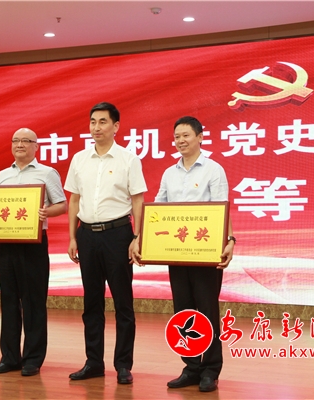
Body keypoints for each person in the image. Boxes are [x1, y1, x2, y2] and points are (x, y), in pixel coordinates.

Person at [0, 127, 67, 377]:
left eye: (26, 141)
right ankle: (9, 357)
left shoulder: (47, 173)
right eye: (15, 140)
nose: (20, 144)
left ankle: (32, 359)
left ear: (36, 146)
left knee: (33, 302)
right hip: (7, 244)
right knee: (9, 300)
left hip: (33, 244)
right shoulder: (3, 174)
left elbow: (62, 205)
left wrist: (44, 212)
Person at [64, 102, 147, 385]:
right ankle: (93, 362)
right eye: (92, 122)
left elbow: (138, 200)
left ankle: (123, 364)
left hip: (118, 235)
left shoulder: (128, 159)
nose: (96, 127)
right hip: (87, 235)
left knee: (123, 302)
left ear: (116, 126)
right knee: (92, 302)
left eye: (102, 122)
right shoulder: (79, 159)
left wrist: (137, 237)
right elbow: (74, 200)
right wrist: (73, 236)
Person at [154, 116, 235, 393]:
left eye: (186, 135)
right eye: (177, 136)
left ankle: (210, 369)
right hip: (177, 253)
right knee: (183, 311)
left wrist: (230, 241)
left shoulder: (213, 169)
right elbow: (159, 209)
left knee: (207, 311)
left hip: (205, 253)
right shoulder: (169, 173)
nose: (181, 141)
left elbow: (223, 208)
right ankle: (191, 367)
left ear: (200, 137)